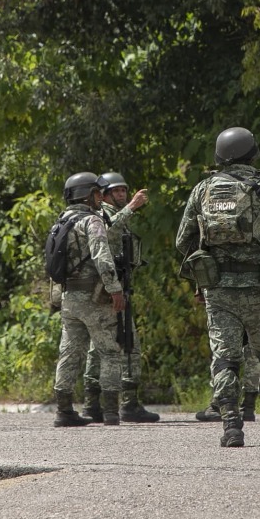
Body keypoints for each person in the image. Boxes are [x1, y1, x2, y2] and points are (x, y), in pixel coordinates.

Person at [175, 127, 260, 447]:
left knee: (225, 357)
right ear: (252, 154)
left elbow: (182, 241)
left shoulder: (202, 189)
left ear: (220, 156)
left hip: (218, 290)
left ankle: (231, 425)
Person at [49, 172, 126, 428]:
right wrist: (115, 289)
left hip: (69, 297)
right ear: (89, 195)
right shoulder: (92, 221)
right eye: (97, 193)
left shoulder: (61, 221)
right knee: (109, 352)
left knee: (69, 353)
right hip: (95, 298)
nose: (99, 197)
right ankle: (111, 412)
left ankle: (64, 410)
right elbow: (102, 257)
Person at [81, 172, 157, 424]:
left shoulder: (111, 214)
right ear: (103, 195)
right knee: (128, 345)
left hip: (117, 286)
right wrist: (132, 208)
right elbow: (108, 235)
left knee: (104, 346)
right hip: (107, 289)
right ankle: (126, 403)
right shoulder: (100, 215)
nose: (123, 195)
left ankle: (95, 404)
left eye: (125, 191)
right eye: (117, 192)